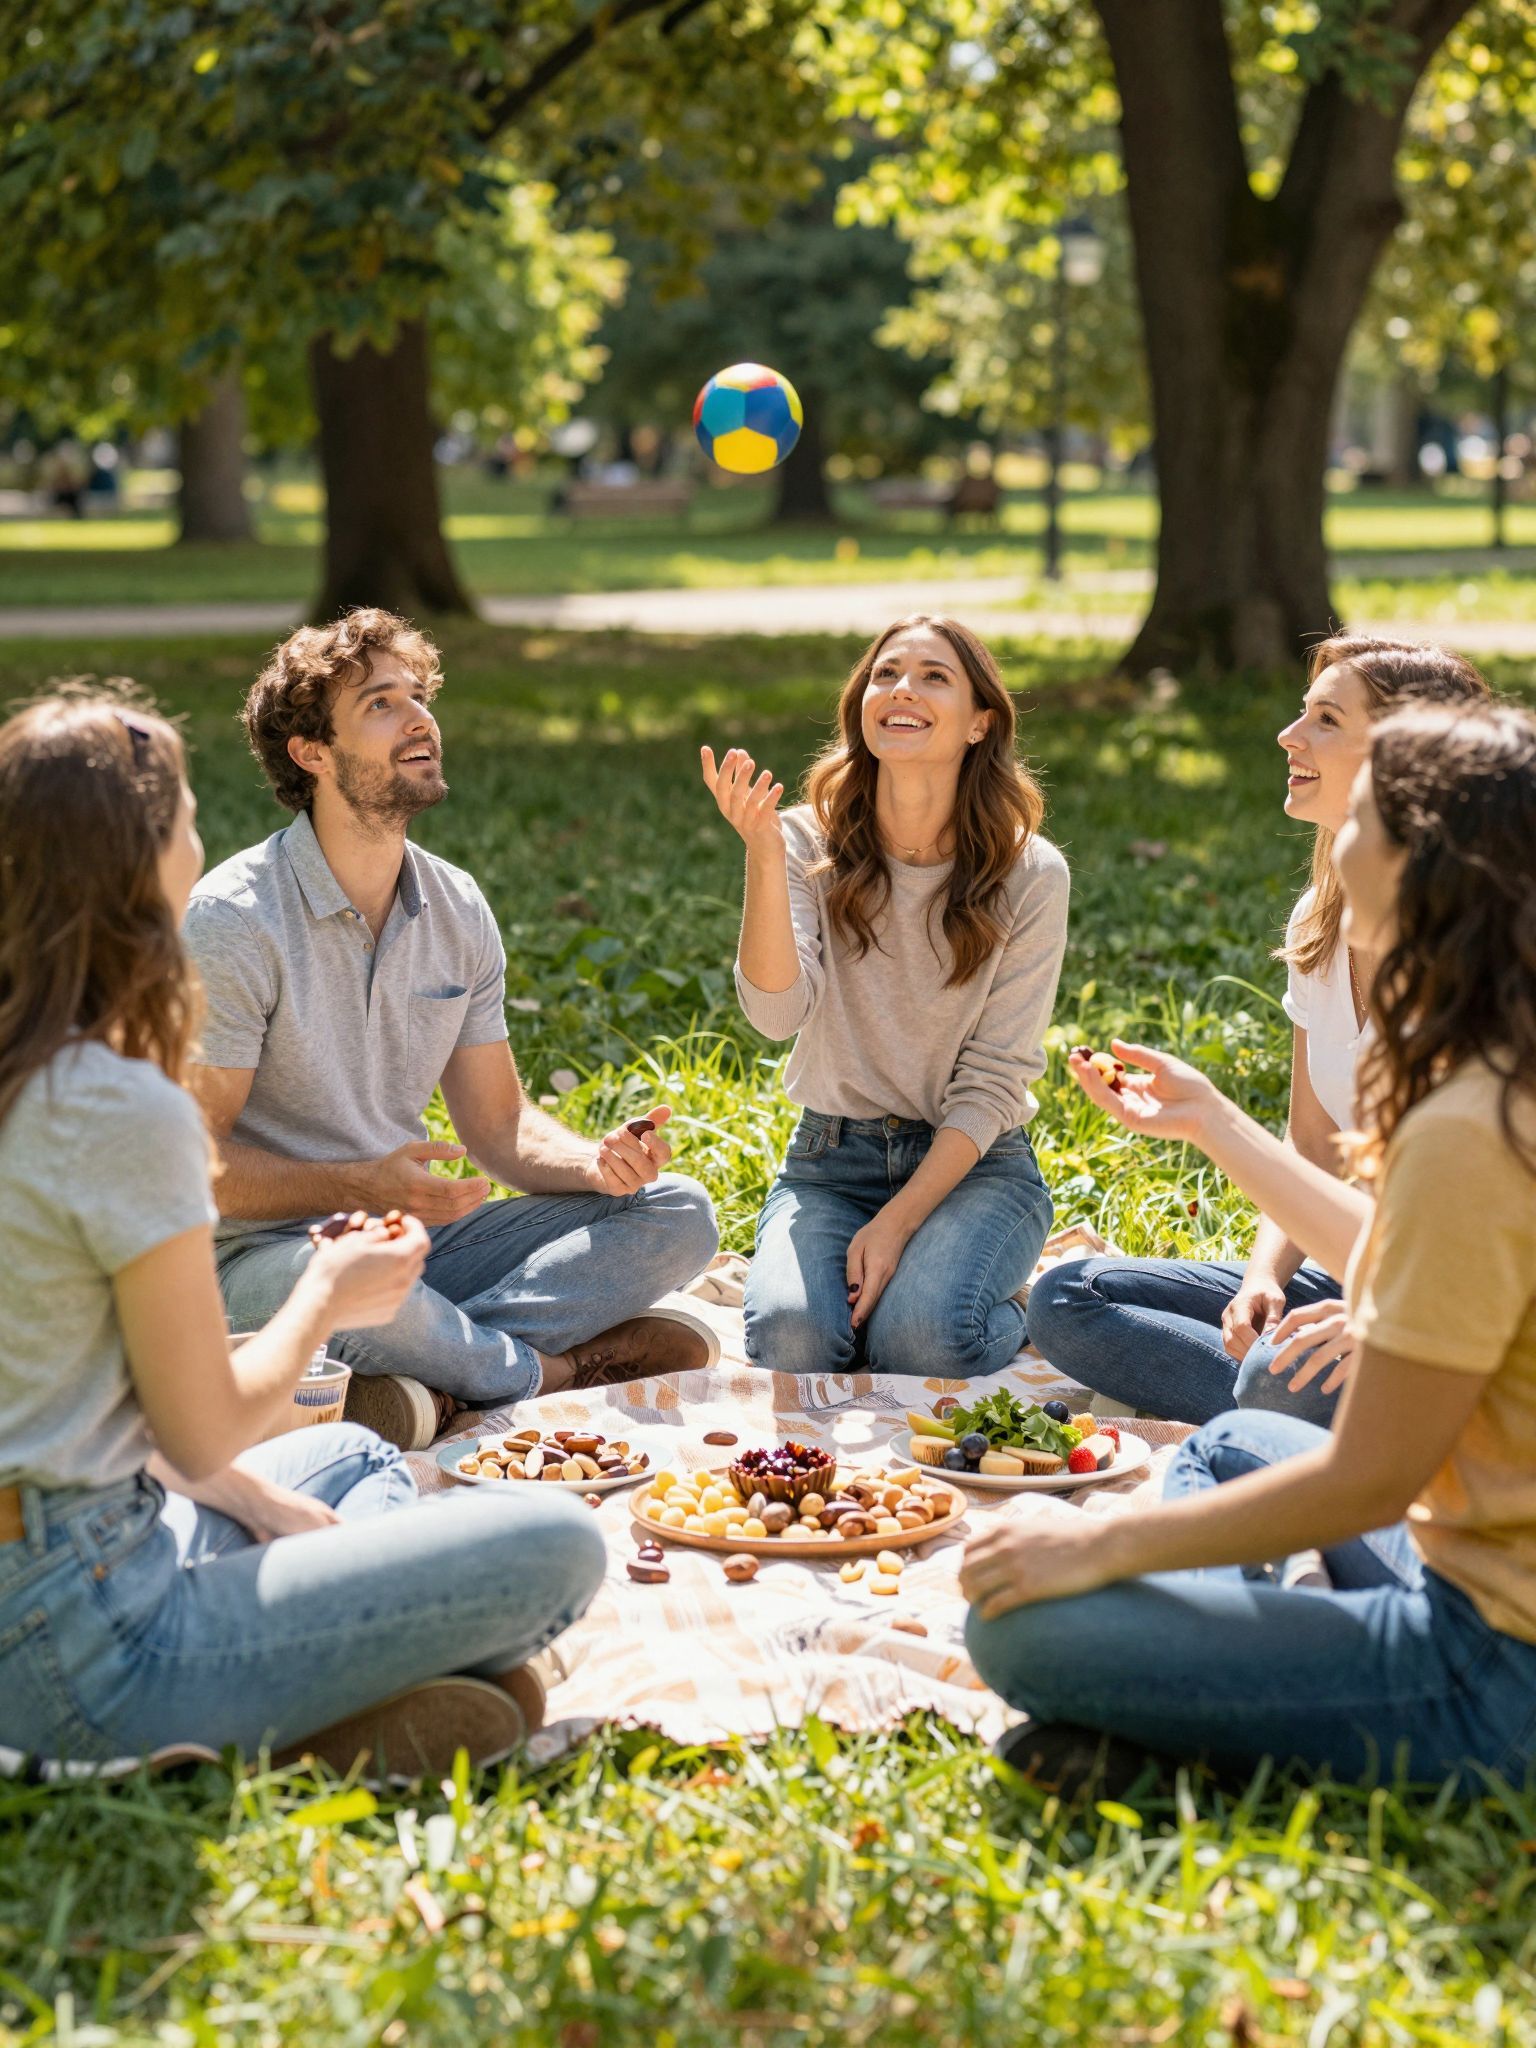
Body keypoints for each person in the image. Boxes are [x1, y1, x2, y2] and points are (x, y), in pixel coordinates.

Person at [0, 691, 606, 1775]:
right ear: (145, 859)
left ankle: (355, 1677)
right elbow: (202, 1430)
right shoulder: (121, 1104)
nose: (201, 833)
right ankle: (315, 1709)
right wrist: (327, 1293)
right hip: (85, 1637)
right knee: (557, 1545)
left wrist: (267, 1504)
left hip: (77, 1540)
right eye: (184, 812)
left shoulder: (29, 1060)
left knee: (349, 1453)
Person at [963, 702, 1536, 1788]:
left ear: (1426, 865)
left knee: (1019, 1630)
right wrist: (1215, 1122)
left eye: (1361, 816)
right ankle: (1212, 1687)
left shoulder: (1470, 1124)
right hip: (1467, 1559)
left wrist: (1097, 1546)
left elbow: (1370, 1477)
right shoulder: (1502, 1066)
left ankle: (1192, 1710)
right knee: (1227, 1445)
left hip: (1494, 1670)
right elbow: (1394, 1249)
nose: (1338, 838)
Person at [182, 611, 719, 1452]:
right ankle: (552, 1373)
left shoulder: (456, 905)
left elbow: (499, 1127)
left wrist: (596, 1163)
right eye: (382, 704)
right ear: (311, 753)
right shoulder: (235, 918)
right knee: (378, 1298)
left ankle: (415, 1381)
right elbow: (197, 1168)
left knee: (679, 1213)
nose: (421, 718)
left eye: (420, 696)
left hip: (406, 1244)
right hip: (259, 1264)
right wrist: (361, 1186)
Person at [1026, 637, 1489, 1426]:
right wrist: (1261, 1279)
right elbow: (1312, 1145)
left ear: (1403, 756)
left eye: (1325, 720)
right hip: (1356, 1262)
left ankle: (1333, 1413)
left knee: (1269, 1382)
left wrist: (1387, 1321)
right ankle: (1315, 1410)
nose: (1288, 735)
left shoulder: (1486, 949)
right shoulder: (1324, 923)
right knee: (1068, 1297)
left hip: (1470, 1302)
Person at [703, 614, 1069, 1378]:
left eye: (934, 676)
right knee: (795, 1344)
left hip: (975, 1166)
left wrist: (899, 1223)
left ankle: (1016, 1308)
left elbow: (996, 1078)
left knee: (920, 1343)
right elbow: (775, 1017)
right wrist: (766, 857)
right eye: (885, 674)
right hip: (830, 1161)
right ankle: (912, 1291)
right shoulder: (804, 840)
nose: (901, 689)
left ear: (980, 723)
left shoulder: (1032, 874)